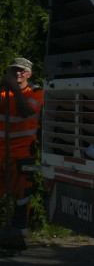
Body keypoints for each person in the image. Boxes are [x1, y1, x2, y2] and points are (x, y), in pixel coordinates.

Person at [1, 57, 42, 249]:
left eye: (21, 70)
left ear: (29, 74)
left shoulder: (36, 92)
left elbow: (26, 112)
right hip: (1, 153)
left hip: (23, 153)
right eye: (14, 70)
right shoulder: (1, 93)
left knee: (21, 196)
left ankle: (19, 237)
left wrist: (15, 91)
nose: (17, 73)